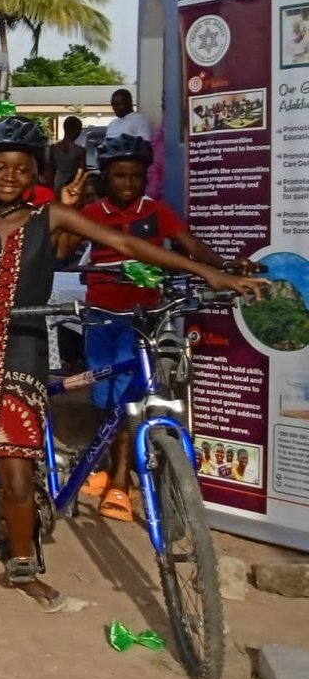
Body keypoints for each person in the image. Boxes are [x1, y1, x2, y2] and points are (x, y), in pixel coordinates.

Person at [0, 118, 265, 614]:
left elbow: (128, 245)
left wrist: (207, 272)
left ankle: (23, 568)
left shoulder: (51, 217)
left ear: (34, 174)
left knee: (19, 473)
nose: (9, 176)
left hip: (22, 352)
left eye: (20, 169)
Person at [56, 135, 240, 522]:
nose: (128, 184)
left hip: (141, 318)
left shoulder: (156, 211)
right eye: (119, 176)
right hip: (100, 314)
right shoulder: (91, 212)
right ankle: (107, 466)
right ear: (105, 177)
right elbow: (59, 251)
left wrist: (225, 266)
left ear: (145, 178)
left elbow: (191, 246)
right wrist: (64, 208)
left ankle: (121, 479)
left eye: (136, 176)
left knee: (130, 398)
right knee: (104, 395)